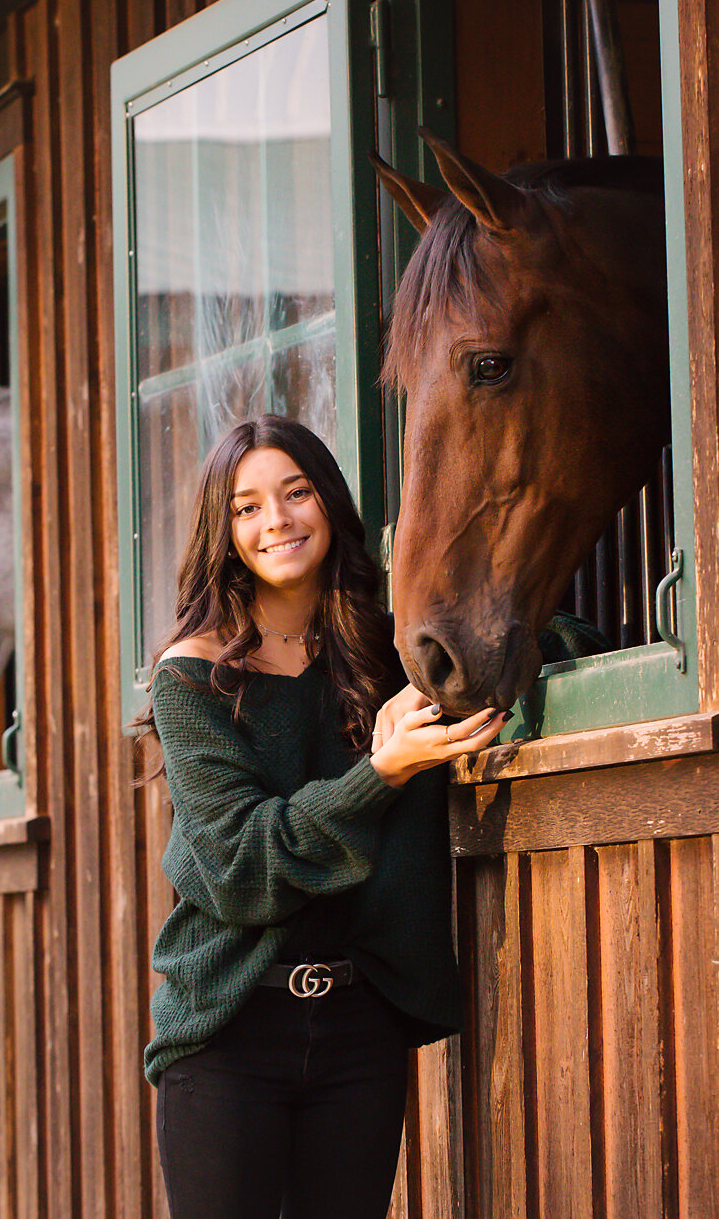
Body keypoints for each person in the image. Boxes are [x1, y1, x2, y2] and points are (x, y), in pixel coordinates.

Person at [139, 415, 507, 1219]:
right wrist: (382, 772)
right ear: (224, 530)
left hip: (357, 1029)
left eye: (295, 491)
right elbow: (241, 866)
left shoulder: (392, 649)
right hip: (230, 1029)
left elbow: (529, 625)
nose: (276, 520)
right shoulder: (192, 676)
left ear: (328, 502)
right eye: (247, 506)